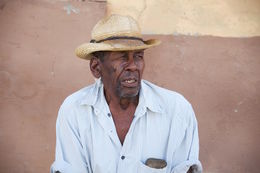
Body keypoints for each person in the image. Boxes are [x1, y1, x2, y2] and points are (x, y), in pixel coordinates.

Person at [51, 14, 202, 173]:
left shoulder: (177, 110)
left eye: (138, 56)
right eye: (122, 56)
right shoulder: (74, 110)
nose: (133, 66)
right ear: (96, 67)